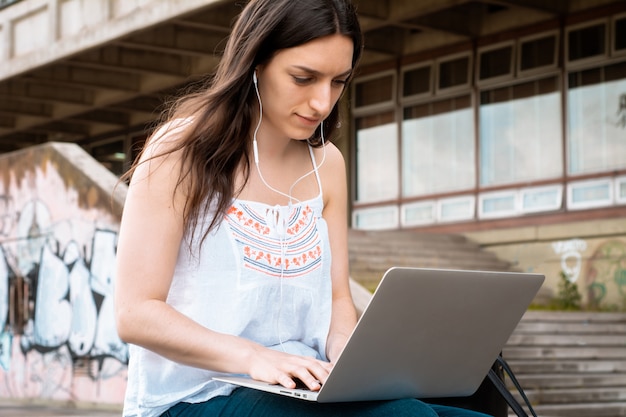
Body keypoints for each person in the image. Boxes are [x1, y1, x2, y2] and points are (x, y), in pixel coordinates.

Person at [114, 1, 494, 416]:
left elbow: (337, 300)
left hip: (299, 385)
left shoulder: (327, 164)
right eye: (304, 78)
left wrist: (351, 358)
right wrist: (253, 357)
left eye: (338, 82)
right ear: (255, 62)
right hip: (193, 394)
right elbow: (135, 313)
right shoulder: (179, 152)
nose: (322, 103)